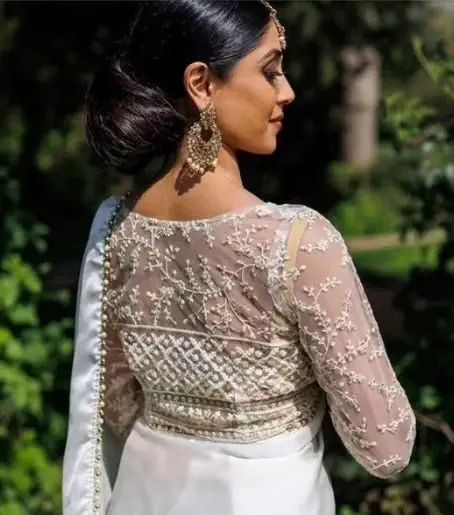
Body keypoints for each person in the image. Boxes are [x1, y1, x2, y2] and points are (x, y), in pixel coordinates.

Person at [62, 1, 416, 514]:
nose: (287, 90)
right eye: (270, 69)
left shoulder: (116, 230)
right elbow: (386, 447)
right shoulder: (298, 243)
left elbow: (112, 407)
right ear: (202, 84)